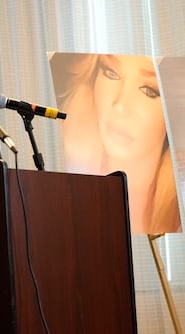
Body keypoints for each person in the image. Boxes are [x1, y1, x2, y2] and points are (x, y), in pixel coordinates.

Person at [51, 52, 181, 234]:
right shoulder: (67, 191)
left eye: (149, 90)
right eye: (110, 73)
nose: (120, 105)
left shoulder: (177, 211)